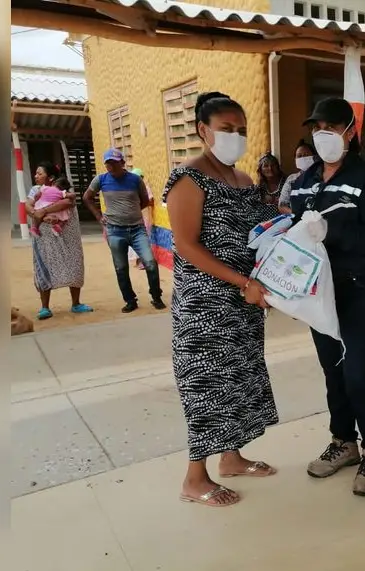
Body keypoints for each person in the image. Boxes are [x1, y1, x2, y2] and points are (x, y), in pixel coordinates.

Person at [164, 91, 280, 508]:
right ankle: (195, 479)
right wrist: (240, 281)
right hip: (205, 304)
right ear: (202, 131)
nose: (236, 136)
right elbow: (187, 246)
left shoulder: (245, 180)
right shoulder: (188, 179)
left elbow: (256, 233)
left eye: (242, 130)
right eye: (227, 129)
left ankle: (231, 458)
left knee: (239, 379)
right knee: (206, 384)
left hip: (243, 302)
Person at [290, 97, 365, 496]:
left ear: (351, 132)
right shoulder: (304, 183)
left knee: (361, 373)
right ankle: (343, 442)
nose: (324, 136)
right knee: (333, 369)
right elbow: (298, 229)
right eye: (318, 128)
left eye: (332, 128)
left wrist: (330, 234)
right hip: (322, 291)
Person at [83, 148, 165, 313]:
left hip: (137, 229)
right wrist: (99, 217)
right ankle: (130, 300)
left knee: (150, 263)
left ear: (122, 163)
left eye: (114, 163)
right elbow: (87, 197)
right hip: (114, 230)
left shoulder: (135, 180)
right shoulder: (101, 180)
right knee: (121, 268)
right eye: (108, 163)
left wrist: (131, 212)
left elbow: (144, 201)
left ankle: (156, 296)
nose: (111, 167)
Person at [25, 162, 94, 320]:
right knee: (43, 267)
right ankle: (45, 307)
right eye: (36, 173)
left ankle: (76, 303)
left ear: (50, 177)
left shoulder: (63, 189)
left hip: (67, 236)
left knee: (73, 264)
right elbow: (28, 206)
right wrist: (39, 213)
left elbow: (68, 202)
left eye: (39, 173)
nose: (36, 176)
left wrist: (44, 210)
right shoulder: (35, 191)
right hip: (44, 238)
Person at [278, 140, 318, 214]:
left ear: (314, 157)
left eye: (306, 155)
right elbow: (282, 205)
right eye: (299, 156)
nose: (302, 158)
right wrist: (297, 215)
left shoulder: (322, 176)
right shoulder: (292, 179)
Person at [127, 167, 156, 270]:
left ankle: (144, 262)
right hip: (134, 218)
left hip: (144, 218)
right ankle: (139, 260)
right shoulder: (131, 188)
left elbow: (151, 201)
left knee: (144, 239)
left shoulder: (145, 188)